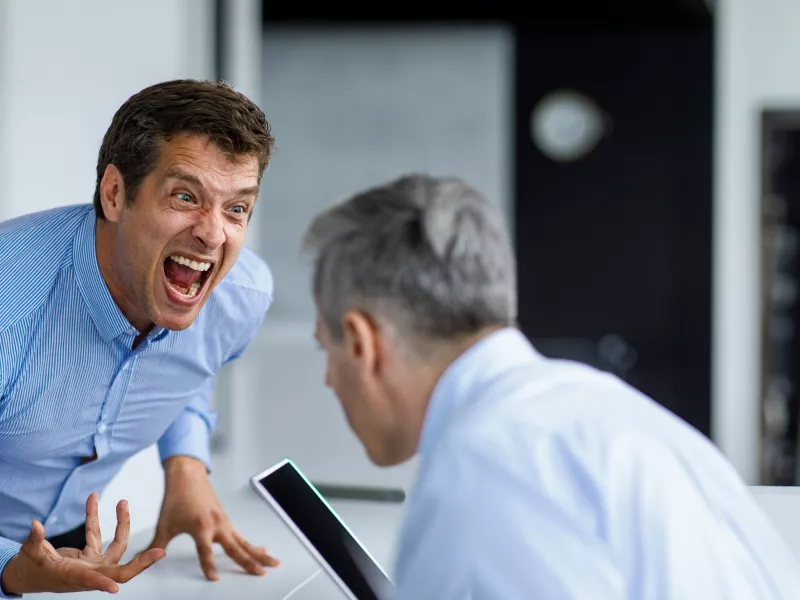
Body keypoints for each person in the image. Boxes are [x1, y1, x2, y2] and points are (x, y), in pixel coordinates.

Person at [303, 174, 800, 599]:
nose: (327, 378)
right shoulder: (609, 408)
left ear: (364, 343)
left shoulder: (485, 465)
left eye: (326, 348)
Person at [0, 79, 280, 597]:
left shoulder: (237, 298)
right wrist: (10, 569)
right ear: (115, 194)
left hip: (66, 550)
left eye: (236, 208)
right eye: (185, 197)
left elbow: (193, 363)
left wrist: (187, 464)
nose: (214, 234)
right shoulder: (9, 308)